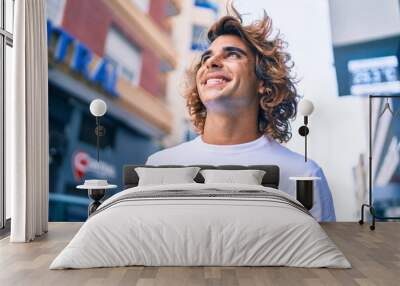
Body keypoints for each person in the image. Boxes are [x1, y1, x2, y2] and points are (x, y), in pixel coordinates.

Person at [146, 9, 336, 221]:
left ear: (263, 82)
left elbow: (316, 253)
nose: (211, 62)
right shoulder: (158, 166)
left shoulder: (303, 175)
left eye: (233, 54)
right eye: (207, 57)